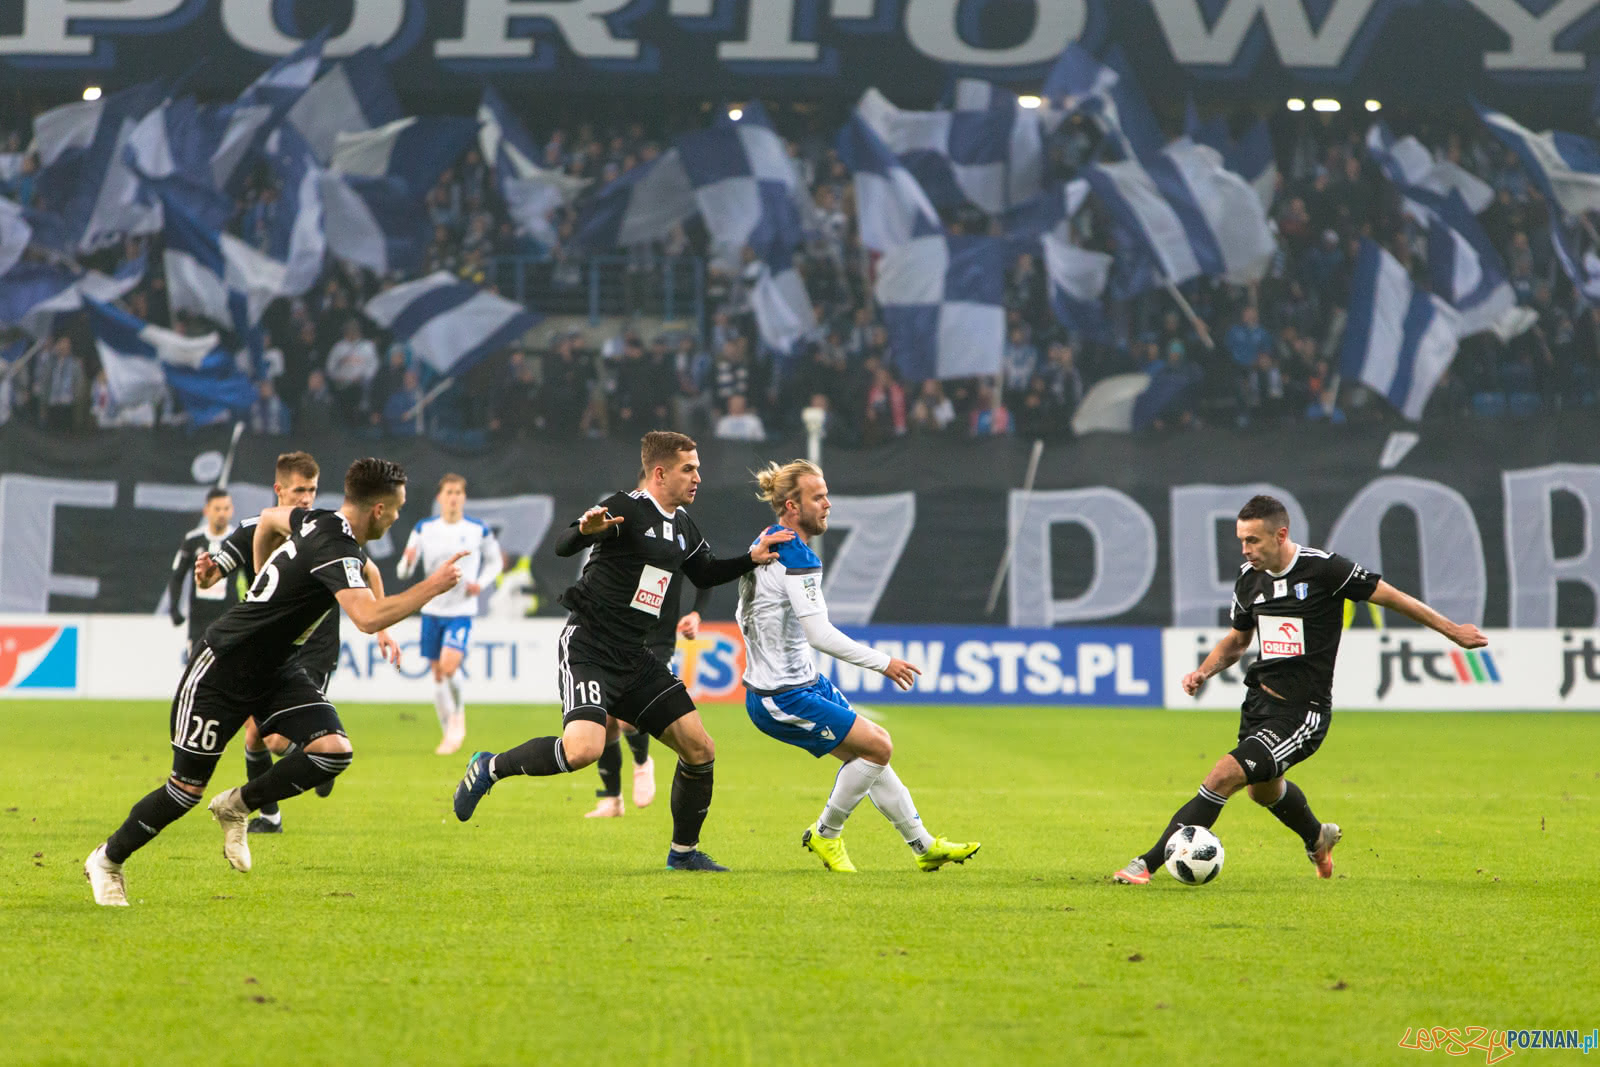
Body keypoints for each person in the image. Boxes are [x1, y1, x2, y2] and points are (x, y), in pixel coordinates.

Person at [85, 459, 466, 906]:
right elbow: (365, 617)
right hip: (223, 668)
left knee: (332, 752)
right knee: (184, 791)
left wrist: (263, 577)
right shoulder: (335, 547)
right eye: (398, 509)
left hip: (276, 670)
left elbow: (268, 519)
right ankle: (107, 861)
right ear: (379, 510)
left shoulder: (317, 519)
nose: (400, 516)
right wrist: (433, 586)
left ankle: (238, 805)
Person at [451, 431, 790, 872]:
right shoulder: (627, 507)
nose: (698, 478)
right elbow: (563, 544)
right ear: (660, 472)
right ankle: (489, 766)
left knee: (699, 747)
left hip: (635, 656)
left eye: (698, 468)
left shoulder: (682, 524)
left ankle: (683, 855)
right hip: (590, 645)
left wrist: (752, 556)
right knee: (582, 751)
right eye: (690, 469)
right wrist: (584, 531)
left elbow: (704, 574)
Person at [1112, 494, 1488, 885]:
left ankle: (1147, 863)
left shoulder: (1325, 570)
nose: (1246, 550)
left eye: (1253, 540)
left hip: (1302, 713)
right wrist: (1203, 671)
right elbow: (1238, 641)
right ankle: (1317, 837)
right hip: (1259, 704)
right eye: (1242, 540)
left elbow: (1393, 597)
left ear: (1281, 534)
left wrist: (1453, 631)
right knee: (1262, 793)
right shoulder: (1249, 579)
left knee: (1224, 774)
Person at [737, 460, 980, 873]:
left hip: (802, 683)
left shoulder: (765, 541)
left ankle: (924, 847)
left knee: (873, 755)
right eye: (818, 497)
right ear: (792, 507)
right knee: (879, 745)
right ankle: (825, 834)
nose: (828, 504)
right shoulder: (795, 556)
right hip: (781, 696)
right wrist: (884, 663)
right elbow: (820, 635)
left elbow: (748, 609)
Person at [195, 452, 400, 834]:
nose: (307, 498)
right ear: (279, 490)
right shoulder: (252, 528)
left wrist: (381, 628)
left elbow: (369, 569)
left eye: (313, 490)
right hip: (266, 651)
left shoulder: (326, 530)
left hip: (314, 649)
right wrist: (206, 575)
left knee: (271, 739)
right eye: (300, 490)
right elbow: (213, 575)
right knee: (255, 736)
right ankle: (271, 816)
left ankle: (318, 758)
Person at [584, 471, 713, 818]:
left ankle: (642, 762)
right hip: (615, 634)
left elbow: (706, 574)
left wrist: (697, 614)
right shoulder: (623, 528)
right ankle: (611, 799)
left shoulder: (678, 528)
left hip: (655, 636)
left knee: (626, 721)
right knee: (607, 721)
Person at [397, 474, 503, 755]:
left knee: (449, 666)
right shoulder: (424, 529)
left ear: (464, 498)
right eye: (449, 492)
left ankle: (458, 719)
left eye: (458, 492)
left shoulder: (478, 530)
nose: (454, 497)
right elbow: (403, 570)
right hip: (432, 608)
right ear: (439, 498)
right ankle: (448, 733)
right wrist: (407, 563)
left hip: (461, 611)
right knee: (438, 675)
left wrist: (481, 582)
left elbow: (495, 562)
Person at [167, 489, 241, 658]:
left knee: (228, 664)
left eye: (226, 508)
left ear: (232, 510)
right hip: (199, 616)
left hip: (228, 614)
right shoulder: (193, 540)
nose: (222, 513)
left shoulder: (238, 539)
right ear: (206, 510)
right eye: (217, 509)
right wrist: (174, 608)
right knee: (196, 663)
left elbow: (253, 574)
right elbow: (177, 576)